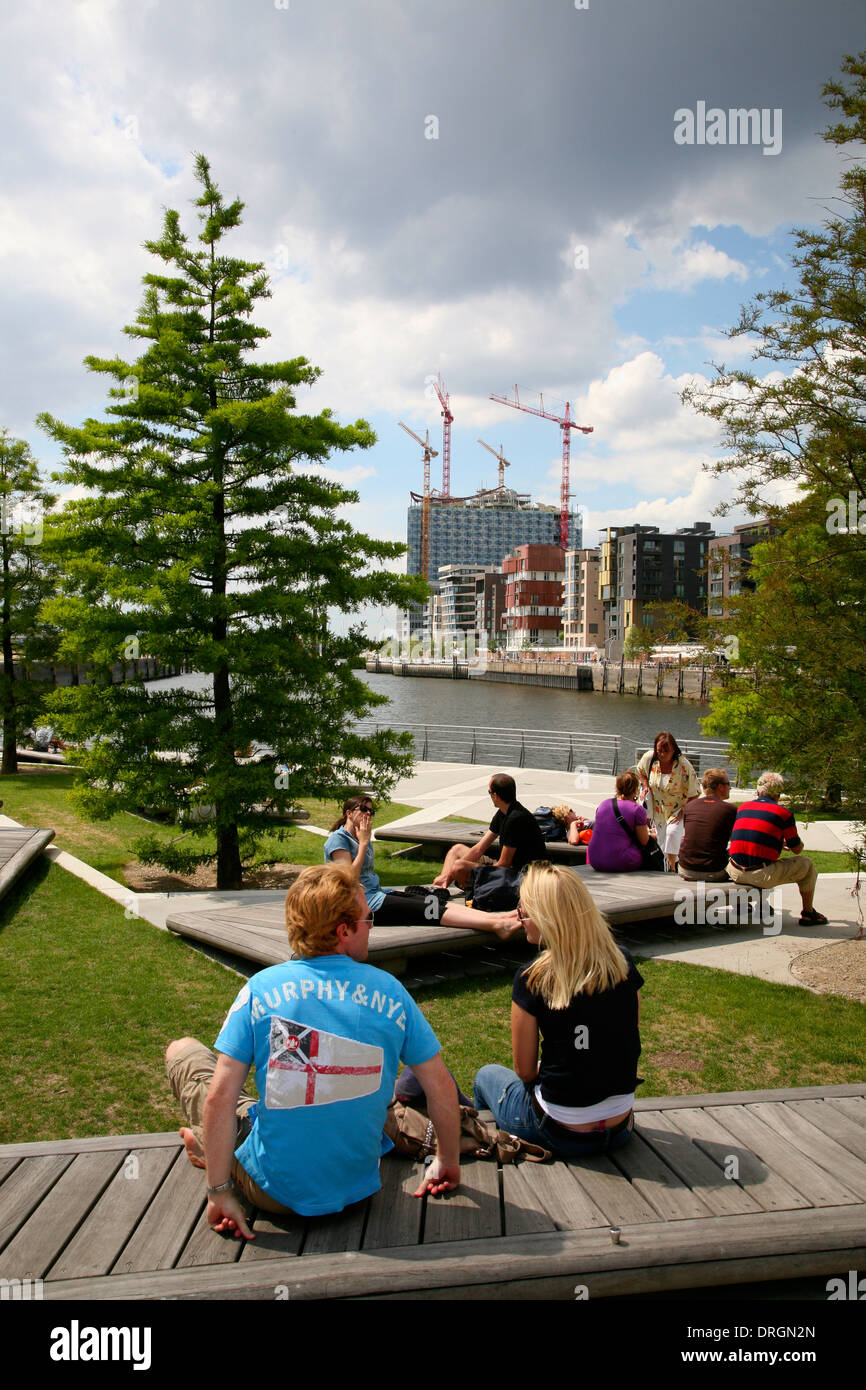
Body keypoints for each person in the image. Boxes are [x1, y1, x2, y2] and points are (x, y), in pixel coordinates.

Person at [165, 863, 461, 1238]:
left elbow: (219, 1099)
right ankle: (214, 1148)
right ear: (344, 931)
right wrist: (448, 1161)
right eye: (368, 920)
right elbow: (440, 1086)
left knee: (185, 1052)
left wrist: (218, 1192)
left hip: (274, 1194)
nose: (372, 927)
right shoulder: (391, 992)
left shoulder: (260, 989)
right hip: (358, 1190)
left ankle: (212, 1154)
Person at [473, 862, 643, 1157]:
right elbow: (626, 1031)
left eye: (524, 908)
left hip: (558, 1130)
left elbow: (524, 1071)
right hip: (619, 1128)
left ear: (547, 917)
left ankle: (485, 1148)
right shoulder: (622, 963)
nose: (520, 915)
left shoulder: (533, 978)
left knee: (486, 1076)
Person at [324, 795, 523, 940]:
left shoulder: (359, 836)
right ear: (349, 813)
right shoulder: (338, 840)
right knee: (428, 909)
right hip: (362, 905)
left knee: (431, 900)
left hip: (377, 894)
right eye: (363, 809)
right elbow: (349, 879)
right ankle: (497, 924)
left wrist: (363, 840)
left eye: (371, 811)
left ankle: (496, 917)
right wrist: (365, 843)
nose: (368, 814)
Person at [727, 772, 827, 925]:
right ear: (778, 794)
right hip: (760, 875)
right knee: (807, 864)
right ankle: (808, 912)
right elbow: (797, 849)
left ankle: (754, 903)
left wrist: (776, 842)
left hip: (734, 871)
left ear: (758, 791)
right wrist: (793, 843)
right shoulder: (783, 813)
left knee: (761, 862)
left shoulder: (742, 808)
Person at [432, 773, 546, 891]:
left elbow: (504, 864)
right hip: (506, 868)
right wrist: (449, 876)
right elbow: (479, 848)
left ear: (495, 796)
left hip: (521, 875)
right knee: (456, 850)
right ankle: (440, 887)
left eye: (489, 792)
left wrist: (459, 870)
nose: (489, 795)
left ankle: (474, 891)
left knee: (459, 867)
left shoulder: (516, 818)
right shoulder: (503, 812)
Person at [637, 731, 701, 871]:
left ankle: (672, 868)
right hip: (659, 810)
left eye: (666, 751)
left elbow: (695, 791)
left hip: (678, 808)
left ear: (674, 750)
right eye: (659, 750)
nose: (662, 754)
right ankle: (666, 866)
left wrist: (684, 811)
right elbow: (640, 770)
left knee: (672, 834)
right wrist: (646, 786)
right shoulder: (650, 758)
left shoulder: (684, 765)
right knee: (662, 841)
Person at [586, 770, 653, 872]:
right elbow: (644, 841)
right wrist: (654, 835)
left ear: (617, 787)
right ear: (636, 790)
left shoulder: (603, 804)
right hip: (619, 861)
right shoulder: (637, 810)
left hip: (595, 859)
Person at [678, 768, 738, 881]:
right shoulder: (730, 810)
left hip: (685, 868)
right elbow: (735, 839)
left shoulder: (689, 806)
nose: (730, 788)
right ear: (720, 787)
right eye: (728, 784)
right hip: (714, 871)